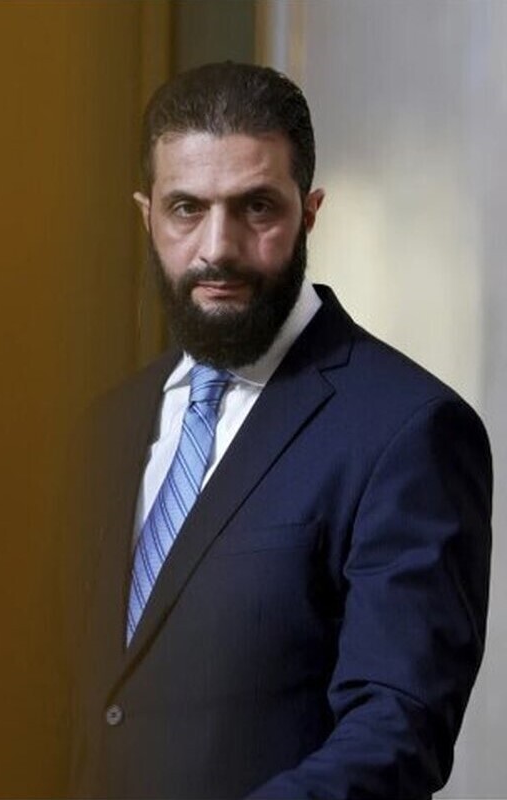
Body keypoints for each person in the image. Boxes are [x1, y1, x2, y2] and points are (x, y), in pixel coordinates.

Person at [68, 61, 492, 799]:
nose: (218, 247)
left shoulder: (408, 429)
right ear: (146, 215)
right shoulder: (101, 430)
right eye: (186, 208)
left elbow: (397, 731)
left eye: (257, 207)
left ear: (311, 211)